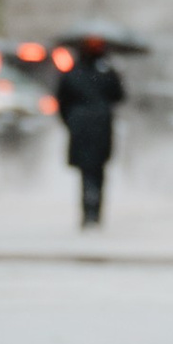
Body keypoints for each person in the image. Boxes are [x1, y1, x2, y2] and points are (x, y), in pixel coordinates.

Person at [57, 37, 125, 226]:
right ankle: (94, 210)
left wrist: (70, 121)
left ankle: (88, 209)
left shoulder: (72, 72)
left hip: (80, 127)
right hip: (101, 126)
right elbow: (119, 96)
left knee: (86, 172)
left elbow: (62, 101)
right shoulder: (107, 72)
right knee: (97, 171)